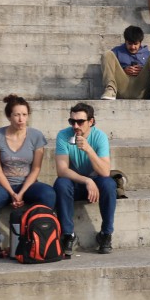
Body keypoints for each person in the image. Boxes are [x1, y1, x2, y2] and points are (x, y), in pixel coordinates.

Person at [0, 95, 56, 261]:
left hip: (27, 184)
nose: (21, 119)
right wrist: (12, 193)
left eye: (24, 115)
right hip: (3, 185)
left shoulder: (36, 136)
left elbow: (36, 168)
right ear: (9, 116)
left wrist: (21, 193)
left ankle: (39, 238)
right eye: (16, 115)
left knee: (48, 194)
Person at [53, 103, 117, 256]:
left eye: (80, 121)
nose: (76, 125)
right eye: (72, 121)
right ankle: (68, 235)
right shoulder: (63, 135)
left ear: (91, 122)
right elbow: (62, 170)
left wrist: (88, 149)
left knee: (109, 184)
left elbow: (104, 171)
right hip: (76, 184)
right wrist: (87, 181)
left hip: (98, 183)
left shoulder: (99, 136)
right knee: (61, 183)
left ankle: (106, 235)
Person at [100, 25, 150, 100]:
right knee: (107, 54)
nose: (133, 47)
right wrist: (124, 70)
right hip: (122, 87)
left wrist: (143, 70)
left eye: (135, 44)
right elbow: (109, 68)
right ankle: (110, 90)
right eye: (130, 44)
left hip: (141, 89)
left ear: (140, 43)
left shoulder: (148, 54)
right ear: (125, 41)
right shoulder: (117, 51)